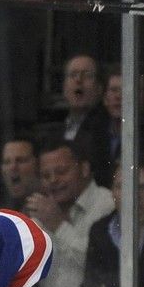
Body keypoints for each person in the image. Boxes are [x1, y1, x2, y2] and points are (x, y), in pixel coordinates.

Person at [22, 139, 115, 287]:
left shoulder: (107, 203)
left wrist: (58, 225)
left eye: (61, 171)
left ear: (84, 169)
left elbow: (96, 264)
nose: (53, 180)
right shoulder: (42, 212)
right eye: (46, 176)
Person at [58, 53, 115, 187]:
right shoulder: (59, 128)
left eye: (87, 75)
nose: (78, 80)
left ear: (100, 89)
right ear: (64, 87)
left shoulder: (108, 127)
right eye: (73, 75)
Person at [0, 137, 41, 211]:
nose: (12, 167)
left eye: (21, 161)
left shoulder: (53, 211)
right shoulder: (0, 214)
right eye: (7, 162)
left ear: (38, 165)